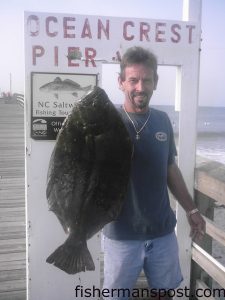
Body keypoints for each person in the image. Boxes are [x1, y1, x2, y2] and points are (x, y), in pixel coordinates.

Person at [102, 46, 206, 300]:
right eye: (133, 80)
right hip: (120, 234)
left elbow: (169, 168)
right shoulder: (107, 121)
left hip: (162, 232)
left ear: (155, 82)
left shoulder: (161, 120)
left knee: (164, 295)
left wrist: (191, 209)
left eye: (146, 80)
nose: (140, 87)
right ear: (120, 82)